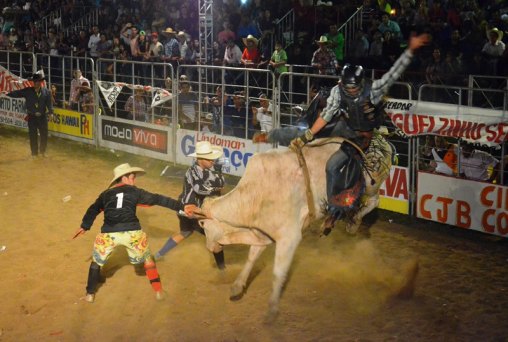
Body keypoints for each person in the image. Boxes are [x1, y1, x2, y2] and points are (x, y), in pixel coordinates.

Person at [291, 33, 429, 227]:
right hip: (349, 133)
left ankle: (348, 207)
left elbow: (394, 73)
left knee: (355, 172)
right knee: (331, 166)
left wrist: (410, 50)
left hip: (368, 136)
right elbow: (326, 115)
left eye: (354, 88)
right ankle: (332, 207)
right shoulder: (338, 92)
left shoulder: (374, 90)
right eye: (348, 87)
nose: (352, 91)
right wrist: (307, 135)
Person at [74, 163, 196, 303]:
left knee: (96, 262)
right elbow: (158, 199)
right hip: (132, 233)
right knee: (148, 260)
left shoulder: (105, 194)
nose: (134, 181)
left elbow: (93, 209)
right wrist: (182, 207)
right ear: (124, 178)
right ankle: (159, 292)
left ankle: (90, 294)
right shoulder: (135, 191)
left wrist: (85, 226)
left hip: (109, 233)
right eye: (132, 177)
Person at [155, 141, 226, 270]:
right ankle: (222, 268)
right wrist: (214, 186)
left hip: (190, 210)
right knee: (216, 236)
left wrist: (217, 178)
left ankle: (159, 254)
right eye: (209, 158)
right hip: (190, 210)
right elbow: (200, 189)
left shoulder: (207, 171)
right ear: (200, 159)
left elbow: (221, 183)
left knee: (185, 232)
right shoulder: (192, 172)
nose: (212, 161)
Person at [5, 71, 53, 158]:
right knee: (33, 135)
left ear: (41, 82)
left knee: (44, 135)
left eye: (38, 81)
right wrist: (7, 93)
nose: (36, 83)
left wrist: (51, 113)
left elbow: (49, 104)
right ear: (33, 82)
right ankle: (34, 153)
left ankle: (42, 152)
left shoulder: (46, 92)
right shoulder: (28, 91)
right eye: (35, 81)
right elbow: (17, 93)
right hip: (32, 116)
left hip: (42, 117)